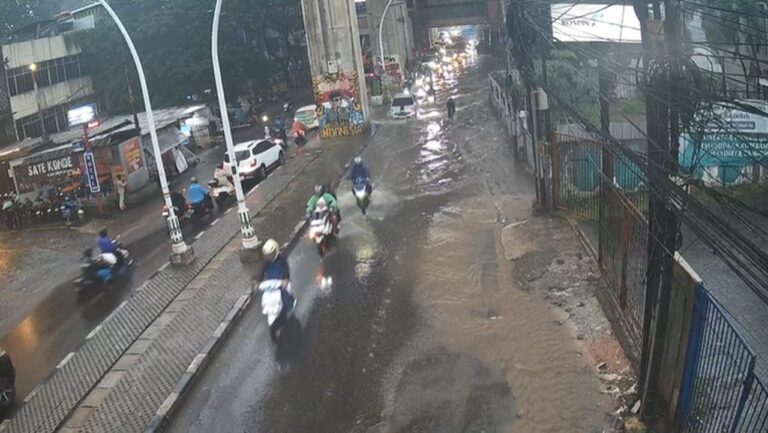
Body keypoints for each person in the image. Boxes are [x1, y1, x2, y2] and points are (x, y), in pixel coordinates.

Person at [260, 239, 295, 342]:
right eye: (267, 255)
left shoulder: (282, 260)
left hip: (280, 284)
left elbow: (286, 272)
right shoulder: (266, 263)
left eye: (270, 254)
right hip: (271, 287)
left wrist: (285, 280)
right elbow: (260, 273)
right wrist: (257, 281)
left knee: (285, 301)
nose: (269, 257)